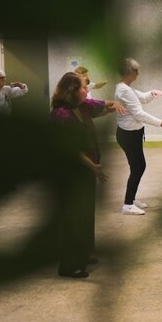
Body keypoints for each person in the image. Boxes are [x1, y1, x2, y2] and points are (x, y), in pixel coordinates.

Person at [50, 72, 124, 278]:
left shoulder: (83, 107)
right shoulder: (61, 115)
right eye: (83, 87)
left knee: (85, 214)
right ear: (72, 90)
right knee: (73, 217)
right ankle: (69, 265)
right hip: (70, 173)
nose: (87, 90)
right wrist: (92, 165)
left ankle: (83, 253)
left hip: (87, 171)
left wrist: (115, 104)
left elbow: (103, 106)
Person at [115, 58, 162, 215]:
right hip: (129, 135)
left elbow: (142, 98)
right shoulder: (124, 90)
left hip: (132, 133)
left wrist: (152, 93)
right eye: (136, 71)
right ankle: (127, 205)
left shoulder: (127, 88)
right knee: (138, 167)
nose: (138, 74)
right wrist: (160, 122)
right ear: (129, 72)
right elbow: (139, 113)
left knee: (137, 166)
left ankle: (132, 199)